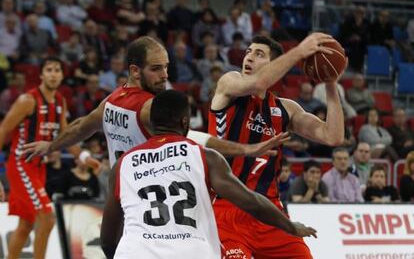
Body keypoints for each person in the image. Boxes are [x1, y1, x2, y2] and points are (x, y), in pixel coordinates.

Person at [100, 90, 316, 259]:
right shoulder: (204, 156)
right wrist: (290, 226)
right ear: (185, 122)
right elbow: (252, 202)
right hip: (192, 252)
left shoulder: (123, 164)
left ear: (152, 122)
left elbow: (108, 240)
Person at [23, 37, 289, 170]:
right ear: (135, 71)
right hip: (153, 210)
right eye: (156, 69)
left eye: (166, 67)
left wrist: (51, 145)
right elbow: (197, 138)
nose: (165, 75)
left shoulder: (113, 101)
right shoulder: (150, 107)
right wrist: (246, 149)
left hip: (124, 197)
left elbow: (81, 126)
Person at [208, 33, 344, 258]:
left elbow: (333, 136)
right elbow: (259, 82)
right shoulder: (229, 84)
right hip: (228, 208)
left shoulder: (285, 109)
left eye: (259, 54)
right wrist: (300, 51)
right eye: (248, 52)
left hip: (270, 212)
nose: (249, 57)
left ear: (275, 66)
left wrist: (331, 82)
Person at [0, 57, 99, 259]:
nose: (53, 73)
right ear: (41, 74)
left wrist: (84, 156)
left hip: (39, 168)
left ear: (62, 75)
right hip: (22, 165)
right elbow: (3, 131)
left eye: (57, 70)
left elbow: (65, 137)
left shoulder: (60, 102)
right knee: (47, 217)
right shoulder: (27, 101)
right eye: (49, 69)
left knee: (26, 225)